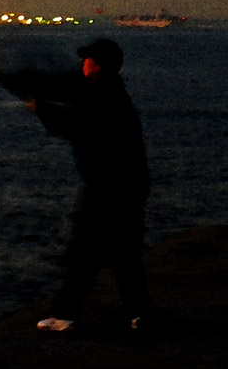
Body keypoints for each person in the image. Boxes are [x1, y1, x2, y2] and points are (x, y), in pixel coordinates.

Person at [26, 38, 151, 332]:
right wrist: (12, 80)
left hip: (109, 185)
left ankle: (65, 316)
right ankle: (140, 314)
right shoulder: (105, 89)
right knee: (124, 253)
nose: (83, 64)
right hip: (129, 184)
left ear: (96, 66)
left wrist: (40, 108)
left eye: (88, 60)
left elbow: (77, 123)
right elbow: (61, 87)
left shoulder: (105, 97)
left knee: (84, 252)